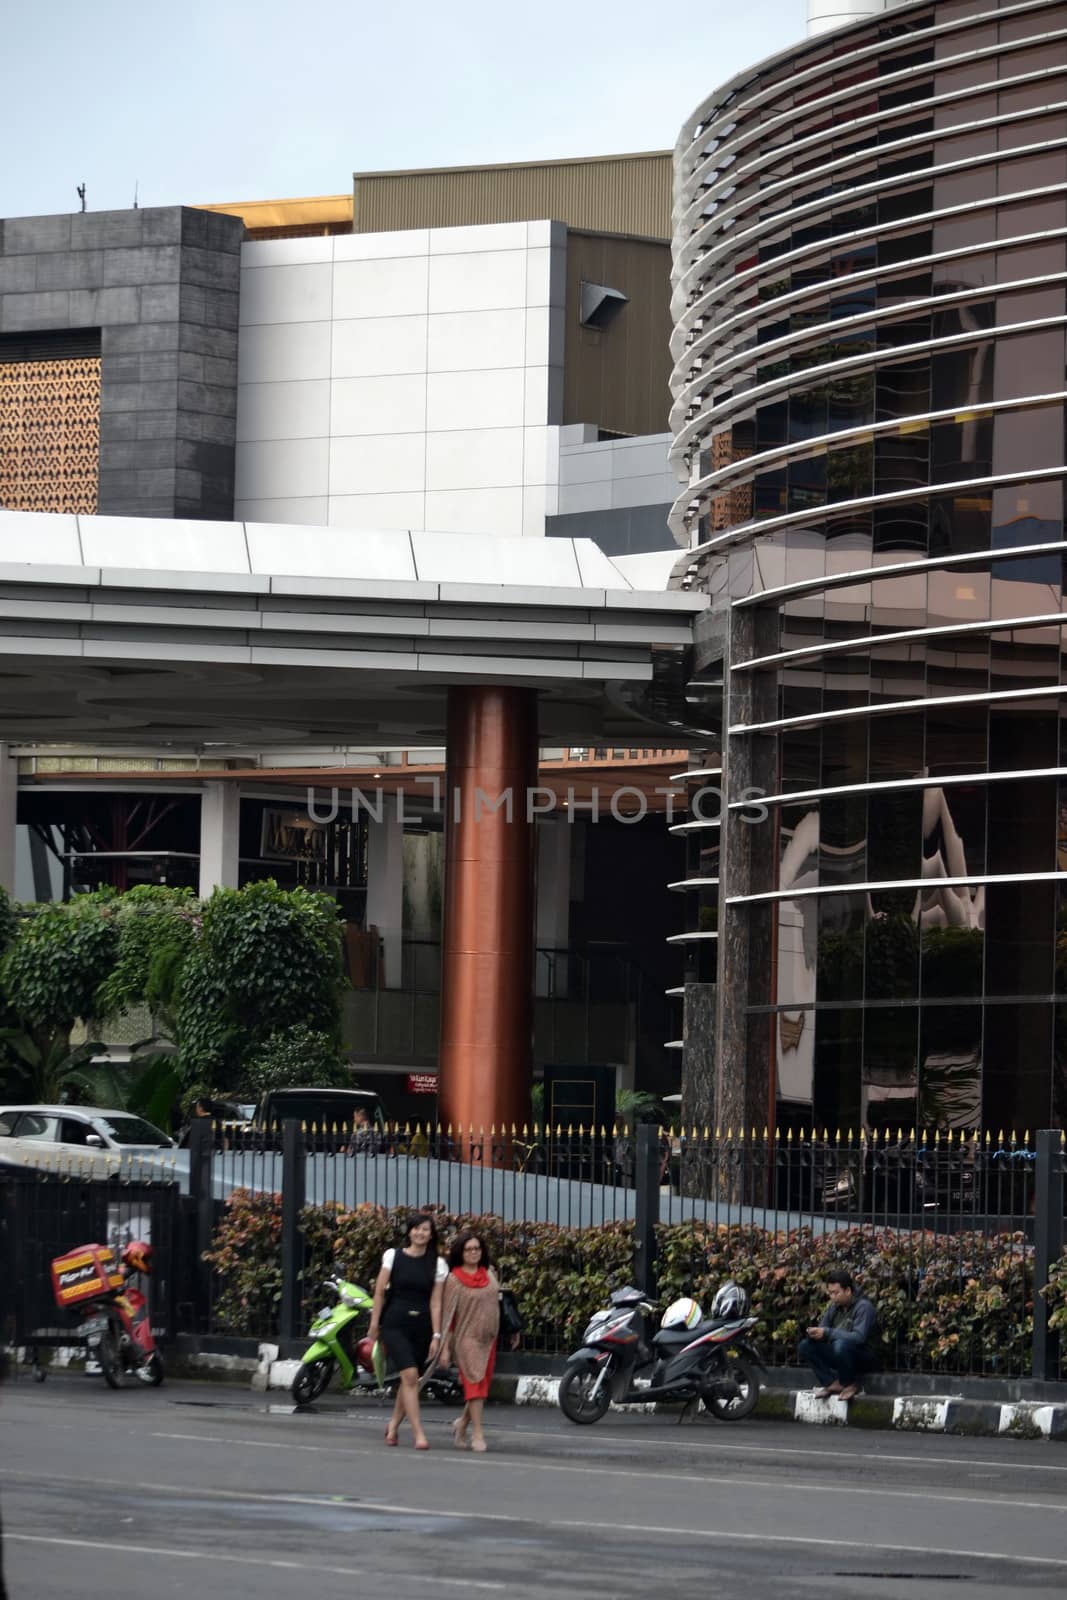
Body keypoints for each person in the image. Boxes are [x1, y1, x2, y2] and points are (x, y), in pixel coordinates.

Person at [367, 1211, 447, 1450]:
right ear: (409, 1231)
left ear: (431, 1235)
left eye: (425, 1229)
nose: (420, 1233)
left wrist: (436, 1335)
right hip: (395, 1323)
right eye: (416, 1228)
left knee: (408, 1379)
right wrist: (374, 1322)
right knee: (411, 1376)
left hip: (422, 1327)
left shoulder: (438, 1264)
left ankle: (392, 1425)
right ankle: (419, 1433)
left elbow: (436, 1302)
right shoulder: (393, 1256)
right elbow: (380, 1292)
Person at [439, 1230, 518, 1453]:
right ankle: (478, 1434)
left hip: (489, 1338)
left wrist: (512, 1329)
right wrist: (445, 1349)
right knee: (474, 1385)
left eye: (477, 1248)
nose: (473, 1252)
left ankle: (462, 1424)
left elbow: (500, 1304)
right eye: (468, 1249)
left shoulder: (489, 1274)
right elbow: (448, 1318)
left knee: (482, 1387)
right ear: (460, 1252)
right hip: (466, 1339)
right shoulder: (454, 1279)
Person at [799, 1266, 879, 1401]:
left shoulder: (864, 1307)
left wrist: (828, 1333)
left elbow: (859, 1338)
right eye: (830, 1293)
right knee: (805, 1346)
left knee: (840, 1344)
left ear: (848, 1290)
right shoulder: (834, 1307)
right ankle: (832, 1383)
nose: (832, 1297)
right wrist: (814, 1333)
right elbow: (824, 1330)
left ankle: (849, 1384)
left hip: (864, 1356)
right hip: (841, 1354)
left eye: (836, 1293)